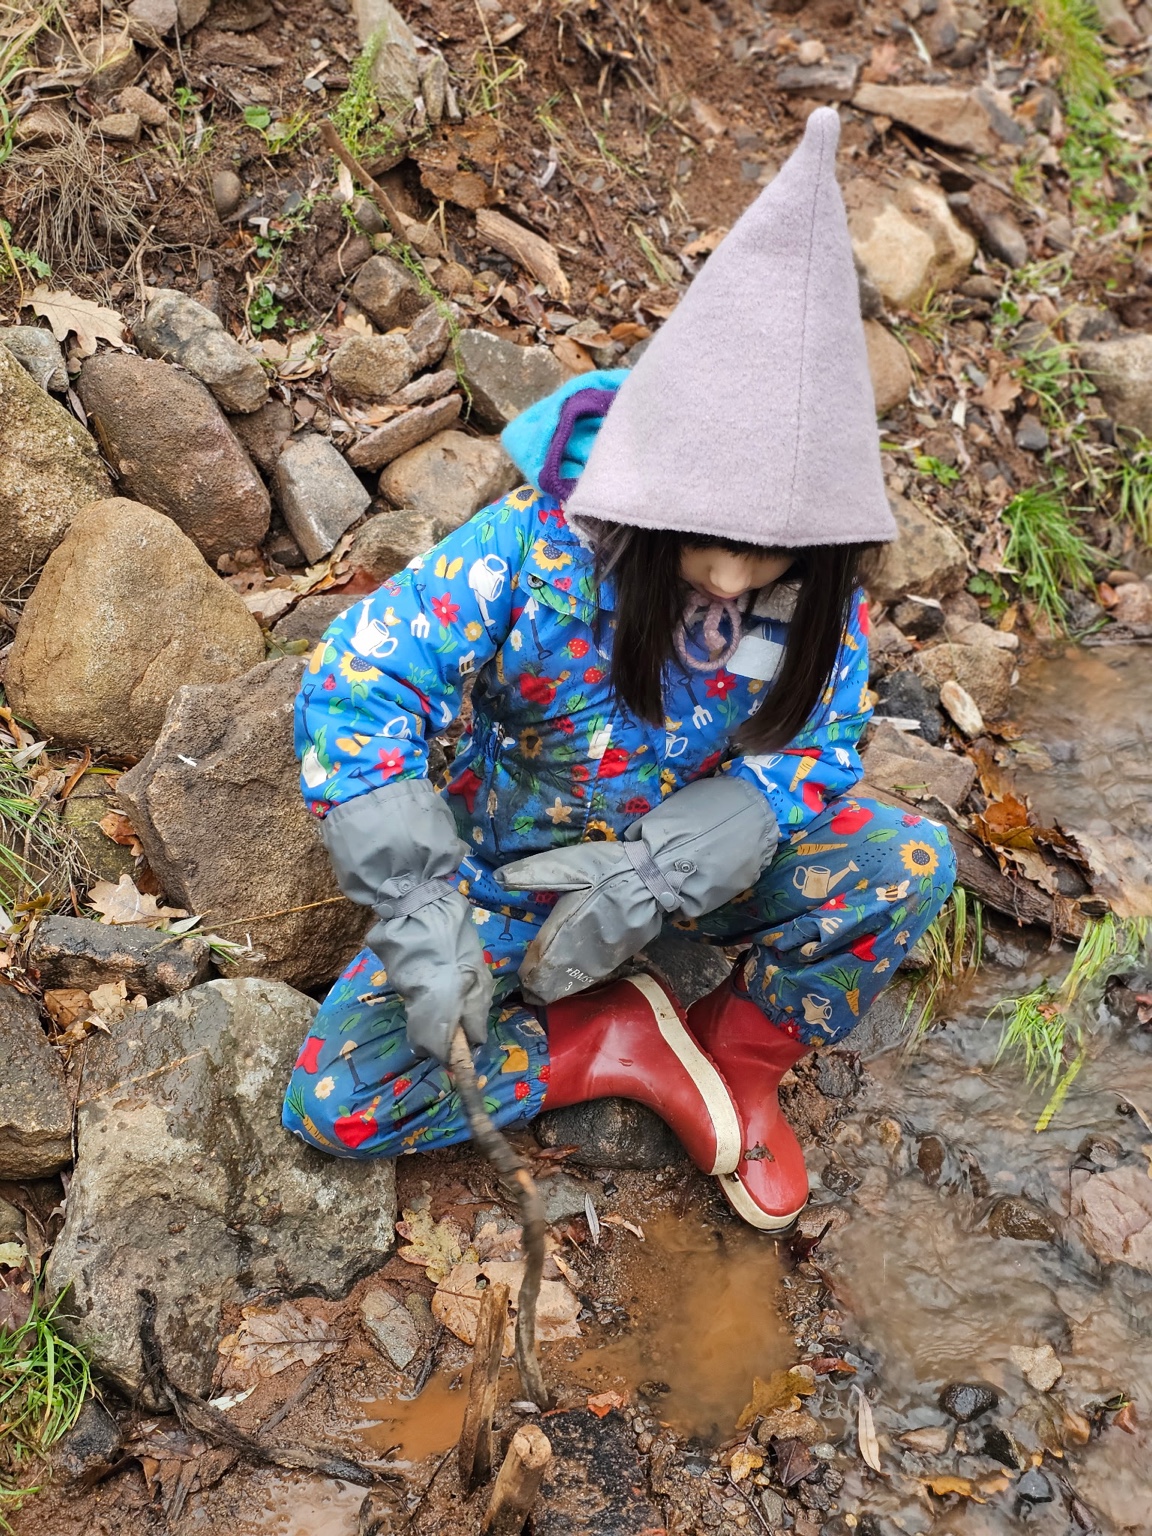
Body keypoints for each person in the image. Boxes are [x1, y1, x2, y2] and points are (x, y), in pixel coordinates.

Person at [282, 108, 957, 1230]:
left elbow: (821, 743)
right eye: (711, 538)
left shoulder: (821, 603)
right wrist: (416, 906)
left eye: (773, 549)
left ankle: (738, 1061)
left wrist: (697, 850)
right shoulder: (539, 550)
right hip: (512, 873)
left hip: (685, 870)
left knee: (905, 863)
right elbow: (361, 680)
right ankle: (605, 1043)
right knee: (343, 1100)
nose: (736, 581)